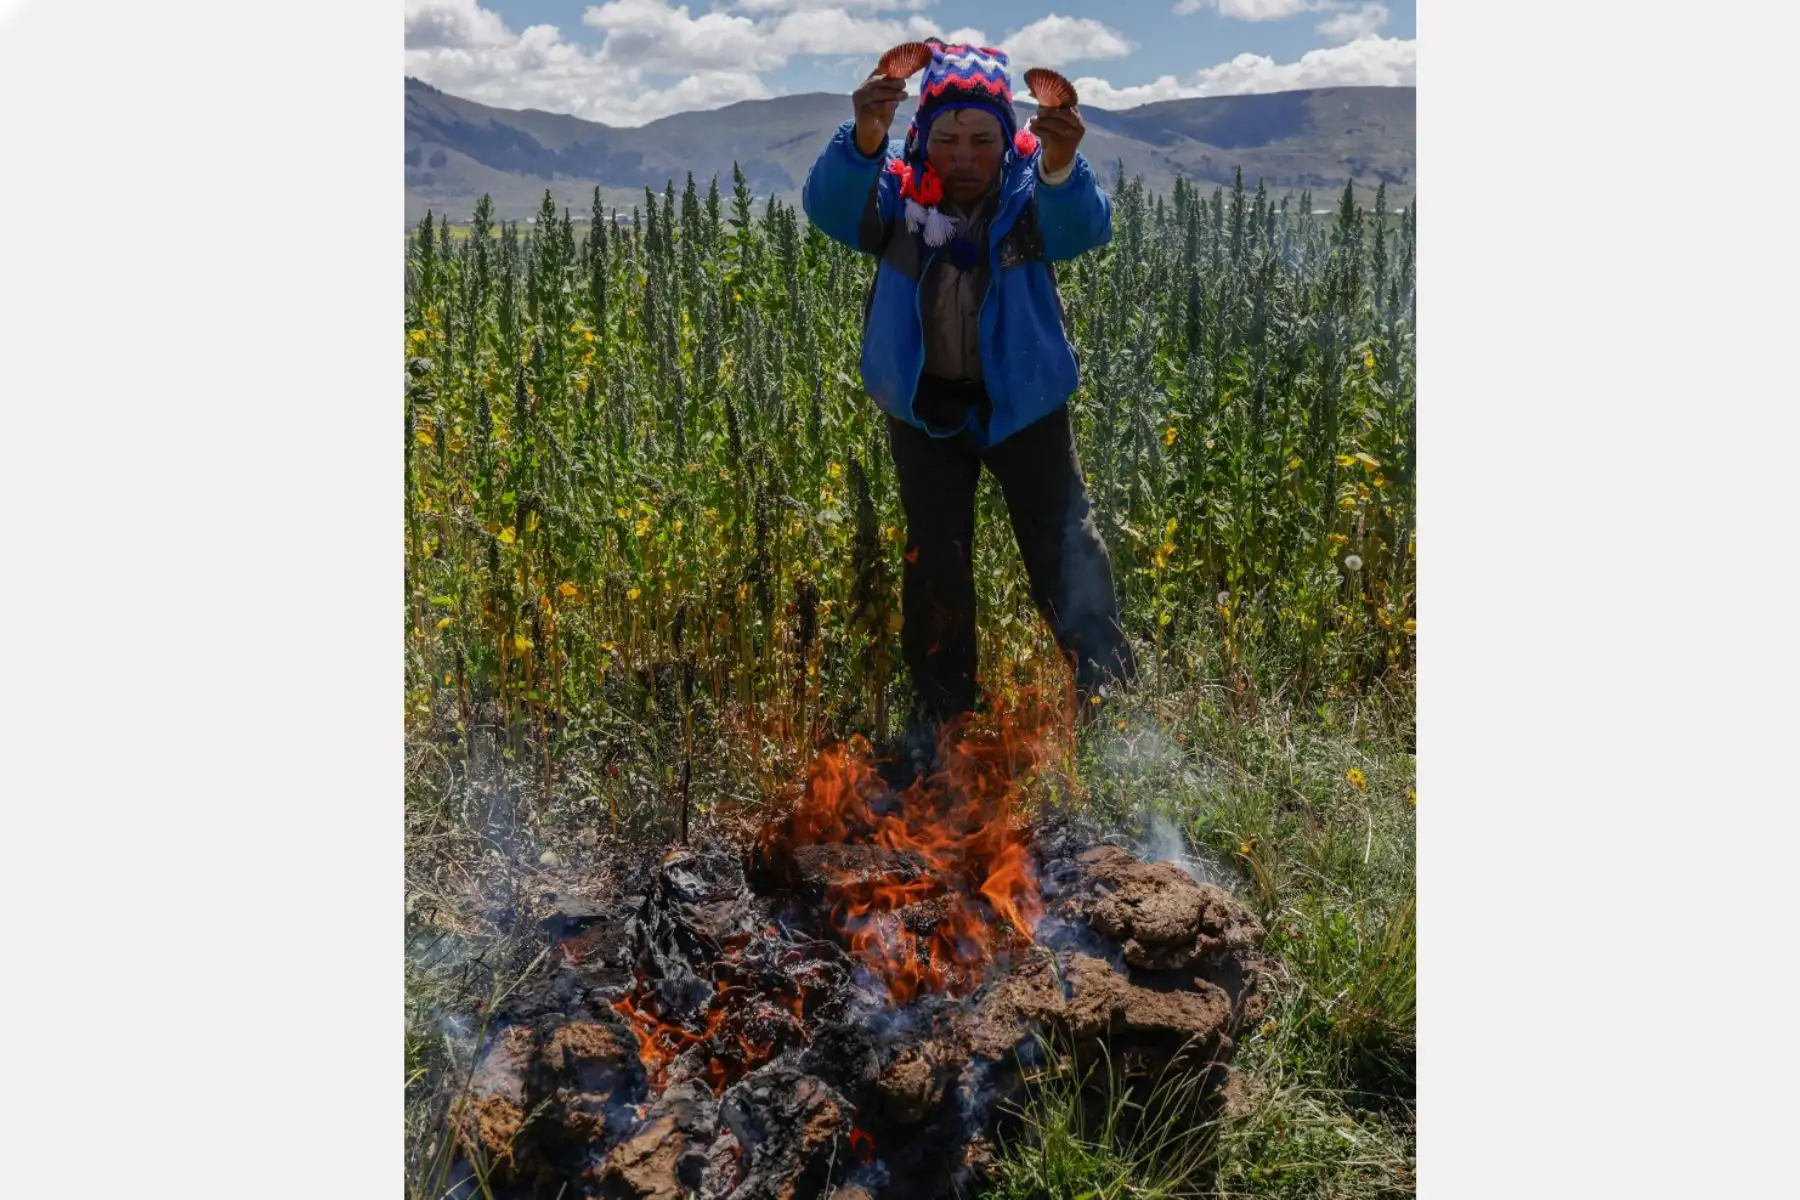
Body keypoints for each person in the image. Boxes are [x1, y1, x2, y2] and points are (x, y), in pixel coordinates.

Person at [802, 39, 1135, 737]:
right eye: (948, 137)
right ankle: (943, 718)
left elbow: (1085, 227)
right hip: (925, 411)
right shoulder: (895, 194)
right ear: (921, 135)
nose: (963, 156)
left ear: (1007, 138)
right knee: (935, 560)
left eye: (982, 138)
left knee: (1064, 548)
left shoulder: (1029, 194)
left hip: (1025, 406)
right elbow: (832, 209)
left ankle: (1109, 706)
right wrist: (863, 137)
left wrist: (1065, 163)